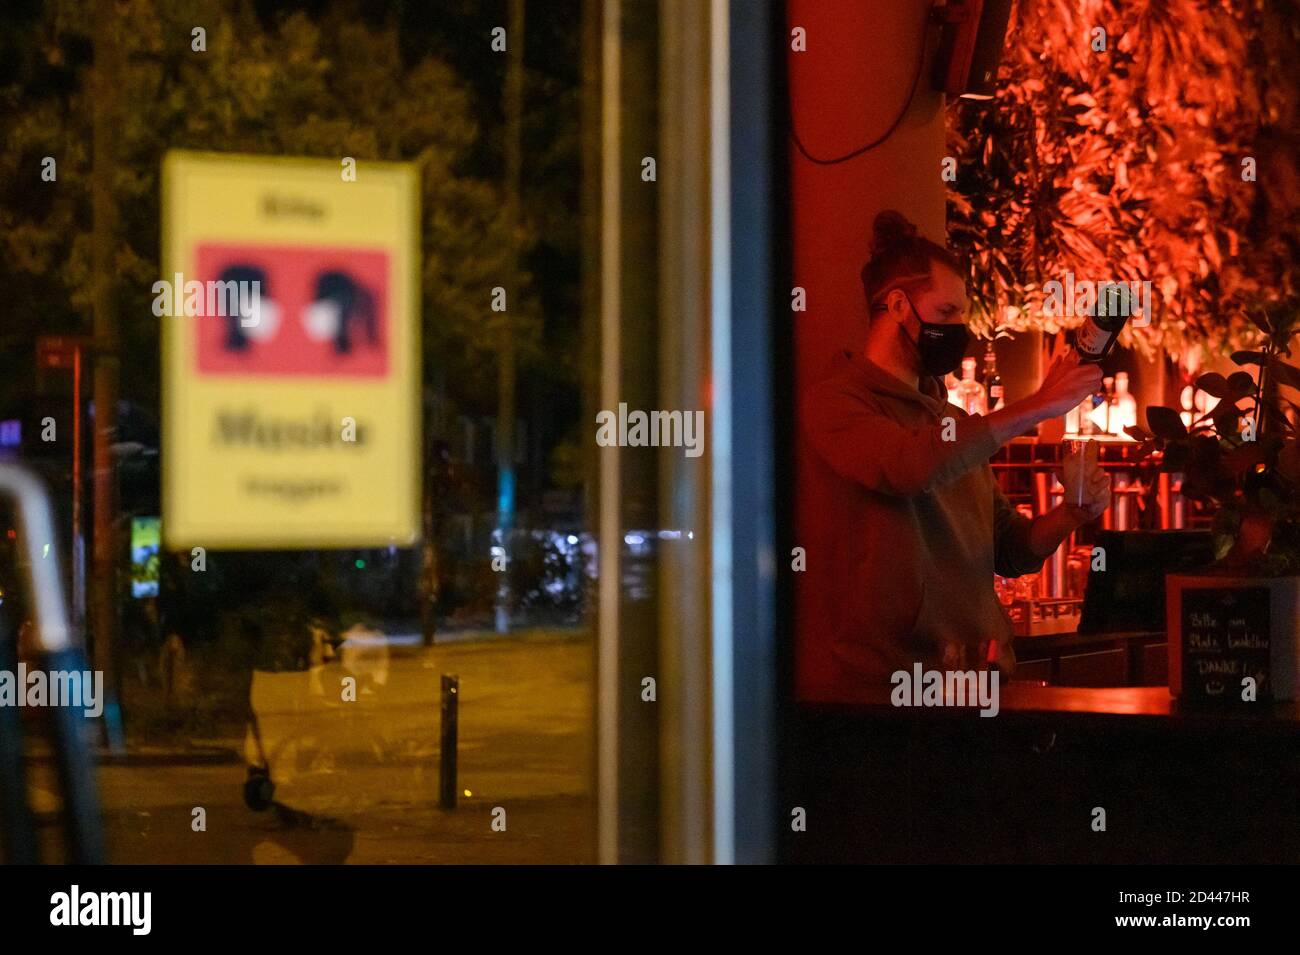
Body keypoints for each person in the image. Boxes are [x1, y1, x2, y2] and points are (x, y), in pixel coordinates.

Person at [799, 210, 1111, 695]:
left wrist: (1071, 514)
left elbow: (1008, 547)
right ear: (898, 306)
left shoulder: (950, 421)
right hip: (888, 689)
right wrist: (1039, 405)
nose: (959, 327)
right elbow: (906, 466)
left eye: (963, 314)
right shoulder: (836, 402)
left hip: (982, 677)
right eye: (946, 314)